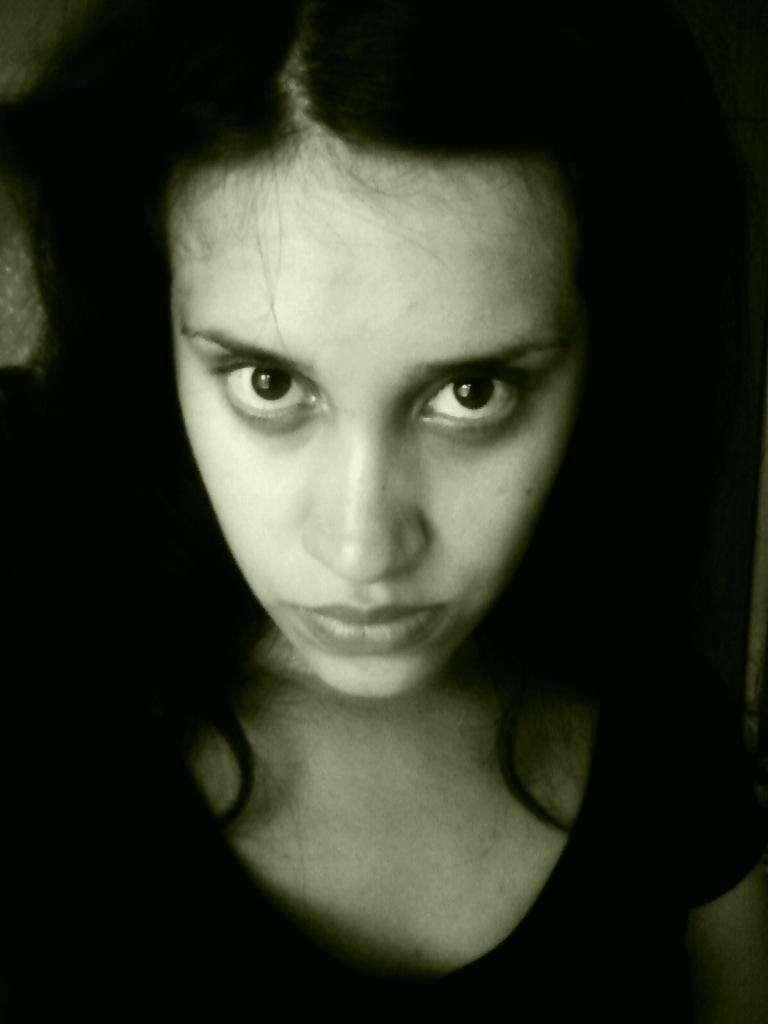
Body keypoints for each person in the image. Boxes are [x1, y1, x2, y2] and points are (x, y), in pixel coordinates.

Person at [0, 0, 766, 1019]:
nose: (362, 549)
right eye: (270, 384)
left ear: (606, 358)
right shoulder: (38, 719)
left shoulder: (671, 748)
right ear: (160, 335)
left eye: (472, 393)